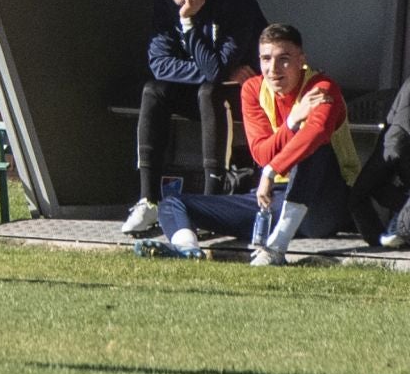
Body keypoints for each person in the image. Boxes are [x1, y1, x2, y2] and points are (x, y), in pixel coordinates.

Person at [141, 24, 361, 266]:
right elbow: (261, 154)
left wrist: (271, 170)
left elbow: (316, 133)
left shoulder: (322, 88)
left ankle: (275, 250)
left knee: (313, 148)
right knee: (173, 202)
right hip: (274, 197)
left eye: (284, 59)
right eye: (266, 59)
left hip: (325, 201)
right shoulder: (253, 89)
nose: (273, 69)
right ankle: (187, 249)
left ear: (301, 60)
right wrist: (290, 122)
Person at [120, 0, 267, 236]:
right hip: (207, 88)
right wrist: (211, 71)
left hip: (246, 97)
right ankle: (148, 201)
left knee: (209, 90)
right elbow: (160, 65)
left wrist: (189, 22)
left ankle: (210, 204)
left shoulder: (234, 1)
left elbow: (214, 69)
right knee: (154, 90)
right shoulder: (163, 2)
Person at [351, 76, 410, 246]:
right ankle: (387, 236)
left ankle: (396, 231)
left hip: (393, 148)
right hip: (394, 148)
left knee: (361, 193)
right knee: (363, 192)